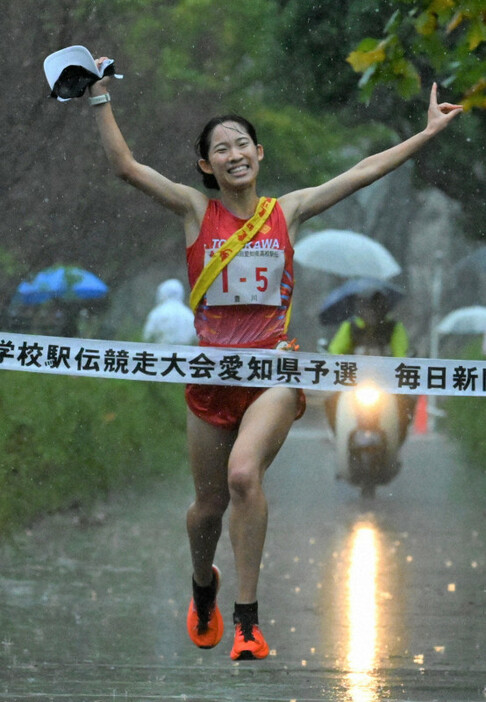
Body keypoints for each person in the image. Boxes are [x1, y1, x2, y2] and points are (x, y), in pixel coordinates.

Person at [84, 63, 461, 660]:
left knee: (242, 478)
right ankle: (203, 584)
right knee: (207, 506)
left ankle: (247, 621)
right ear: (207, 165)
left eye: (242, 143)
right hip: (210, 383)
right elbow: (126, 168)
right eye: (220, 148)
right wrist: (99, 96)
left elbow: (363, 173)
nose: (234, 153)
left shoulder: (287, 212)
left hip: (274, 377)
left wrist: (427, 134)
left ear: (258, 153)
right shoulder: (192, 211)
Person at [326, 291, 415, 442]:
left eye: (376, 307)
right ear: (360, 309)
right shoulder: (350, 326)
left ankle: (398, 439)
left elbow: (401, 354)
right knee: (331, 401)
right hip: (353, 382)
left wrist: (402, 364)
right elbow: (335, 351)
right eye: (367, 308)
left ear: (384, 308)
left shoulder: (393, 327)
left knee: (406, 403)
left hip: (387, 383)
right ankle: (339, 436)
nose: (371, 312)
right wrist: (336, 362)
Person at [142, 278, 197, 345]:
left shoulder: (157, 313)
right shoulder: (189, 315)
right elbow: (196, 339)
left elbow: (147, 337)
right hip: (184, 354)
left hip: (161, 353)